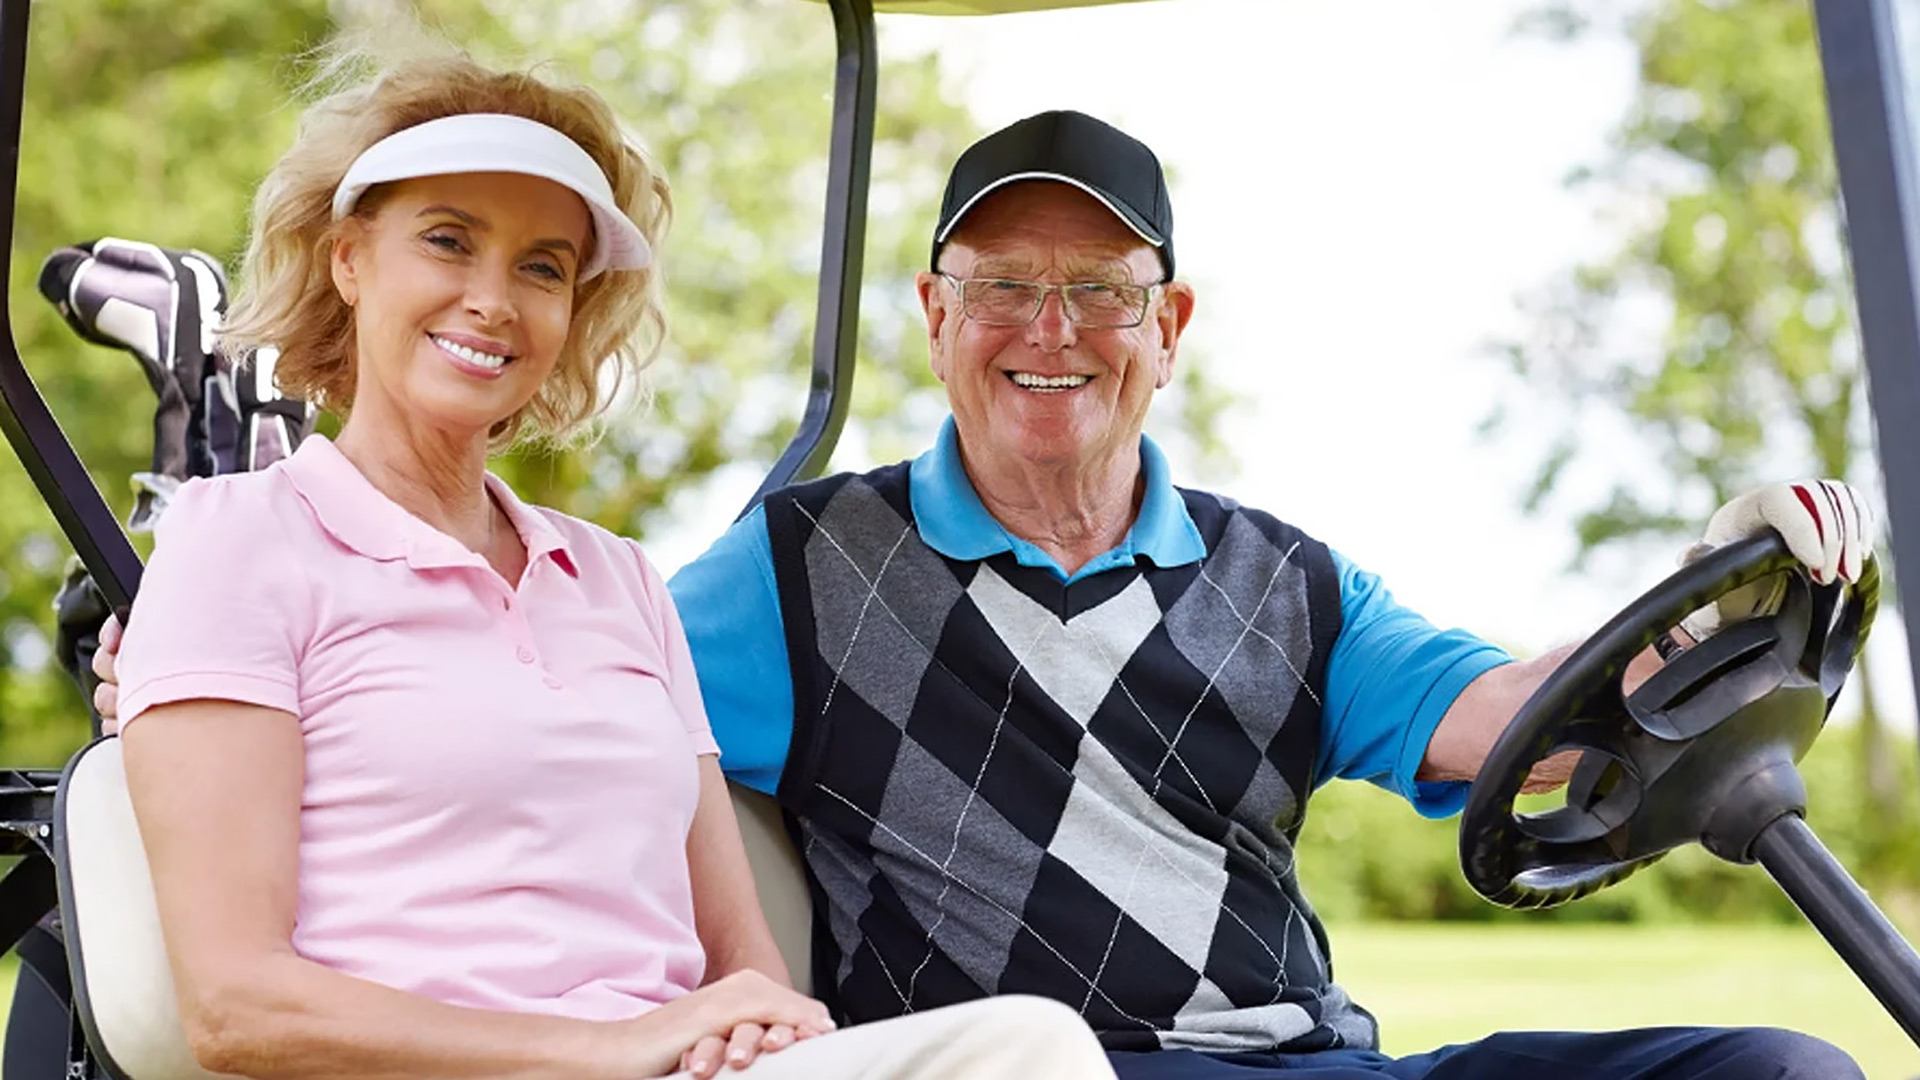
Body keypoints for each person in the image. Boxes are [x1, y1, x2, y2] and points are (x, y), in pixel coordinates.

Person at [94, 111, 1875, 1078]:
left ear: (1168, 329)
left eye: (1099, 290)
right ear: (935, 320)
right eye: (1002, 286)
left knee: (1773, 1076)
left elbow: (1529, 726)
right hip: (1042, 1068)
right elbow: (497, 731)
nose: (1051, 332)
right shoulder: (794, 574)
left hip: (1320, 1061)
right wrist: (173, 667)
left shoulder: (1294, 585)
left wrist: (1702, 614)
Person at [92, 47, 1113, 1080]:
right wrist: (605, 1050)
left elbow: (743, 963)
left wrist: (746, 1034)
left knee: (1027, 1043)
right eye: (449, 242)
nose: (494, 300)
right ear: (349, 258)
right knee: (1029, 1052)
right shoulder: (238, 542)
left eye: (543, 267)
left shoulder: (617, 579)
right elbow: (235, 1009)